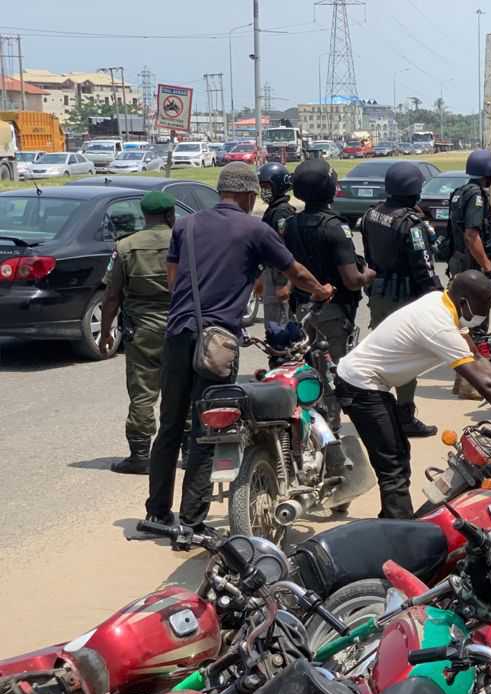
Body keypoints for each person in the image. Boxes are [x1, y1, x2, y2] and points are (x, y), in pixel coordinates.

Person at [144, 162, 335, 528]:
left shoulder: (185, 225)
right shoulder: (254, 228)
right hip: (217, 343)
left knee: (170, 424)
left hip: (178, 333)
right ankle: (192, 519)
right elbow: (295, 272)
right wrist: (321, 289)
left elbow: (173, 282)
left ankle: (156, 512)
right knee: (207, 428)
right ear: (249, 195)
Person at [335, 271, 491, 519]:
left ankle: (377, 511)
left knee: (397, 453)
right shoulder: (438, 324)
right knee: (394, 465)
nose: (485, 315)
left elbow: (478, 358)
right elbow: (486, 386)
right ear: (464, 302)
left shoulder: (442, 301)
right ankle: (399, 534)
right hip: (361, 384)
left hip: (373, 383)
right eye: (483, 306)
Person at [362, 161, 443, 438]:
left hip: (380, 295)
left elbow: (369, 256)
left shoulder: (371, 214)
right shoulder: (412, 225)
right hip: (405, 300)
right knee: (407, 360)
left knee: (381, 356)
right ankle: (405, 417)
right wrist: (439, 299)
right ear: (415, 189)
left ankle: (380, 414)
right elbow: (424, 268)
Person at [98, 190, 176, 475]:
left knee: (143, 391)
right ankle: (191, 450)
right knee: (184, 388)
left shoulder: (126, 246)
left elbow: (111, 297)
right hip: (181, 325)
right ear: (170, 215)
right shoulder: (183, 241)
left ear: (145, 216)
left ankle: (141, 455)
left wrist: (106, 332)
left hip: (143, 329)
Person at [283, 158, 375, 364]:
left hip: (302, 308)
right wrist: (369, 275)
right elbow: (351, 280)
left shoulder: (291, 224)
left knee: (308, 370)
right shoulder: (335, 226)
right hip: (332, 311)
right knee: (336, 374)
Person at [447, 148, 491, 293]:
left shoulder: (461, 191)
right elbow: (471, 235)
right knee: (476, 311)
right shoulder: (476, 195)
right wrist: (489, 269)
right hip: (471, 264)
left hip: (459, 260)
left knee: (461, 310)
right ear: (488, 174)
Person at [257, 162, 295, 329]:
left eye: (266, 186)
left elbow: (286, 250)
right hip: (270, 276)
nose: (263, 191)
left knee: (279, 329)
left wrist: (286, 284)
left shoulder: (282, 213)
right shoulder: (273, 210)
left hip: (279, 278)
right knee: (273, 327)